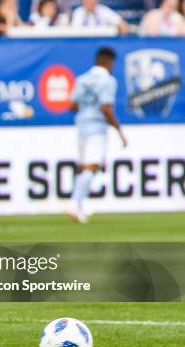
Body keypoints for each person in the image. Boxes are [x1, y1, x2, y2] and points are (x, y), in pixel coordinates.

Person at [68, 47, 127, 223]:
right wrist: (119, 130)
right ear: (108, 62)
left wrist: (86, 109)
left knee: (84, 166)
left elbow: (73, 105)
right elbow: (105, 107)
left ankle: (79, 206)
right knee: (92, 167)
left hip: (82, 126)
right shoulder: (108, 81)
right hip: (96, 128)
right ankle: (74, 202)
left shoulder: (82, 79)